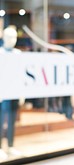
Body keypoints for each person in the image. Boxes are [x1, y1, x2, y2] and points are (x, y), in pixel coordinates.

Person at [0, 25, 21, 159]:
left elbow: (20, 75)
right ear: (3, 37)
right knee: (1, 121)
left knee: (12, 120)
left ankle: (11, 145)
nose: (12, 40)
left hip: (14, 92)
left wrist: (22, 93)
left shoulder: (18, 54)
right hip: (2, 94)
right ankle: (1, 147)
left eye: (14, 37)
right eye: (9, 37)